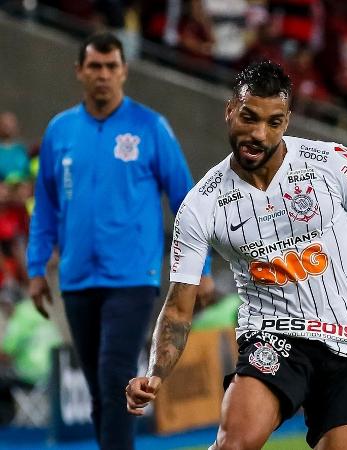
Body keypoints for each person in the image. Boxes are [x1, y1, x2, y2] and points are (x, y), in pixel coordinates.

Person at [126, 60, 347, 449]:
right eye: (249, 117)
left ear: (287, 122)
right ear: (229, 111)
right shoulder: (202, 205)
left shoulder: (334, 164)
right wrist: (156, 373)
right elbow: (178, 306)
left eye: (273, 123)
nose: (258, 134)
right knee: (233, 445)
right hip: (274, 337)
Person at [26, 32, 213, 450]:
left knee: (114, 375)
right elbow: (45, 208)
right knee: (99, 390)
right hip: (76, 279)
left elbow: (187, 200)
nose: (103, 75)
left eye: (112, 67)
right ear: (79, 71)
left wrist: (202, 269)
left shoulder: (150, 127)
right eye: (95, 66)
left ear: (125, 71)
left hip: (132, 276)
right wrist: (37, 269)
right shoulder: (60, 131)